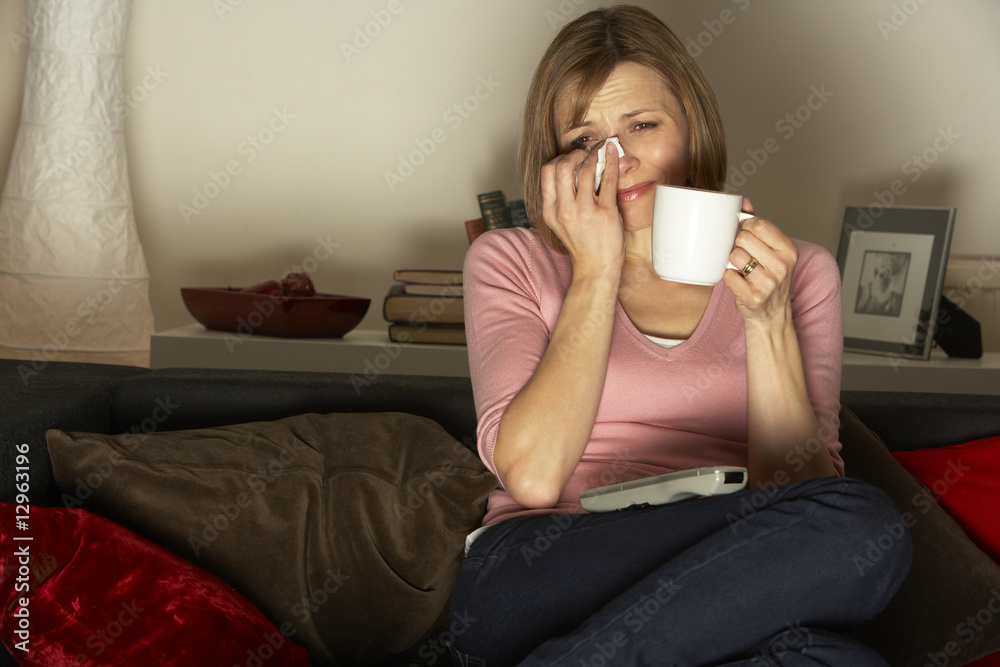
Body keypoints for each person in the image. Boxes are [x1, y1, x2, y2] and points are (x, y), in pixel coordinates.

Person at [449, 6, 911, 666]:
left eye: (642, 125)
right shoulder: (509, 260)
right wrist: (598, 267)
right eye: (585, 140)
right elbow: (534, 476)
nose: (619, 158)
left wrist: (767, 320)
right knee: (862, 530)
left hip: (732, 577)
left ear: (691, 128)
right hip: (543, 567)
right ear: (553, 162)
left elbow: (802, 491)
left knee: (857, 560)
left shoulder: (797, 271)